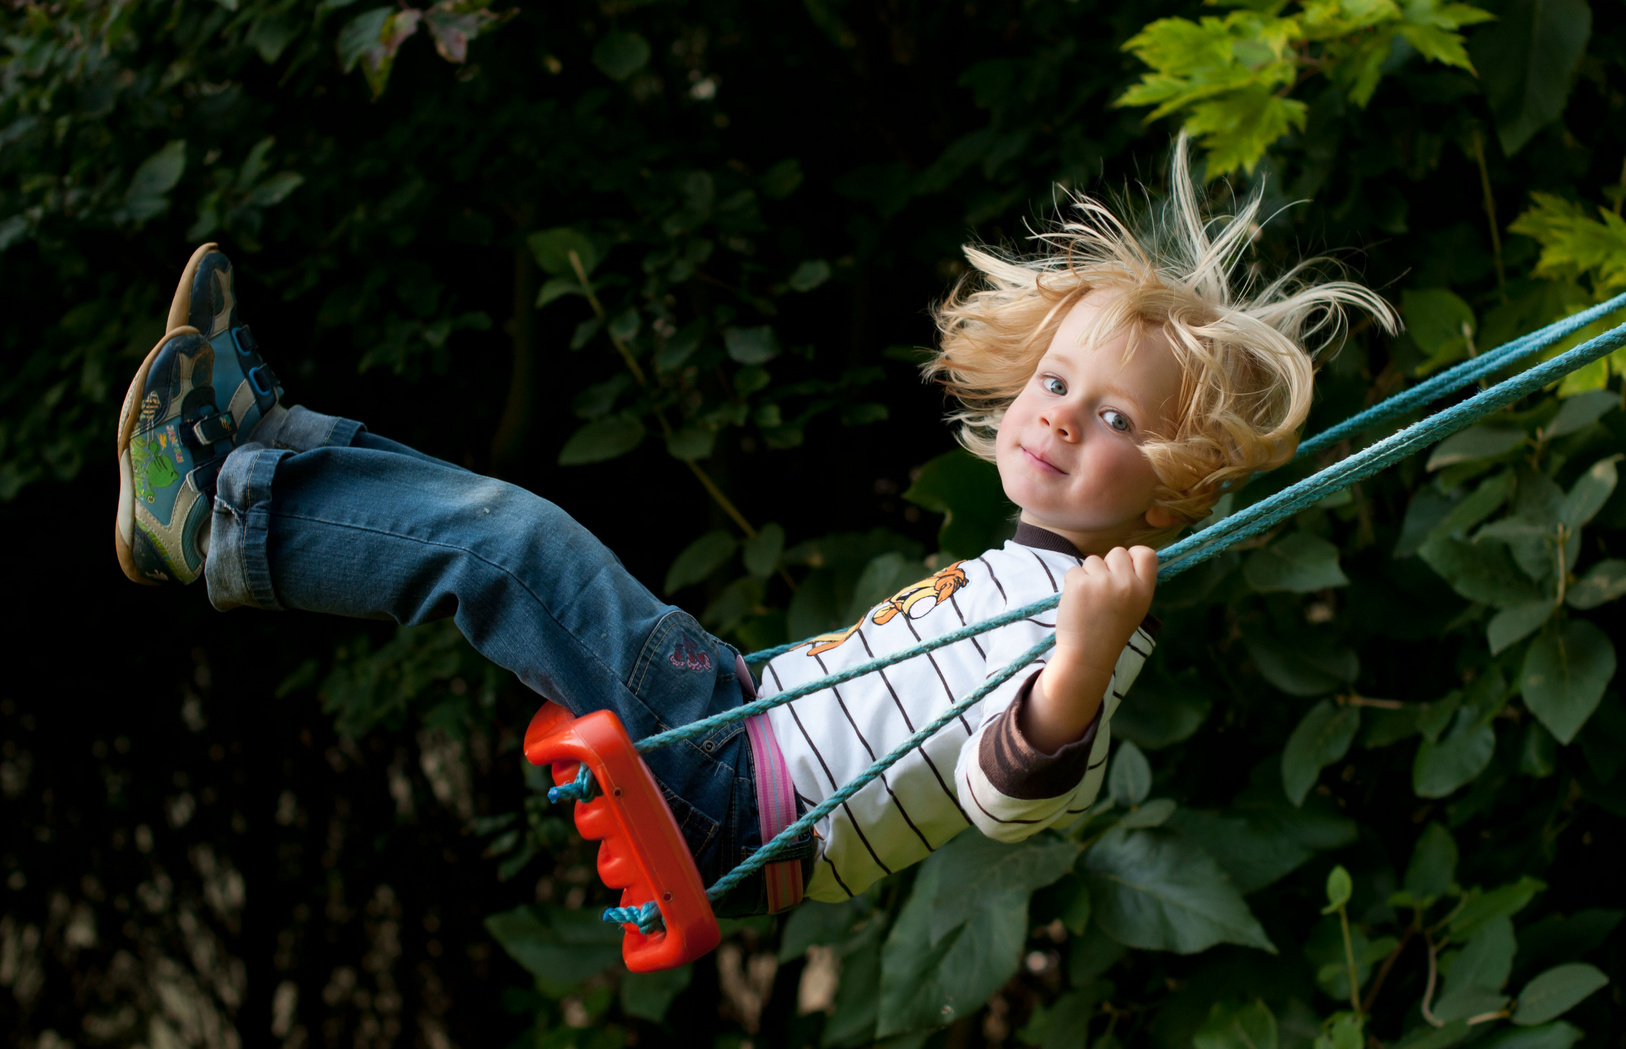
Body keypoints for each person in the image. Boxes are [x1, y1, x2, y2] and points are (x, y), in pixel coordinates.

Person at [114, 137, 1395, 915]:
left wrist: (1087, 660)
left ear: (1168, 485)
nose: (1059, 418)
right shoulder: (1031, 575)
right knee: (510, 531)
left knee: (510, 547)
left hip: (735, 790)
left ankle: (221, 523)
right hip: (734, 711)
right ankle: (253, 451)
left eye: (1112, 417)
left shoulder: (1085, 633)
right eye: (1056, 385)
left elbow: (1015, 805)